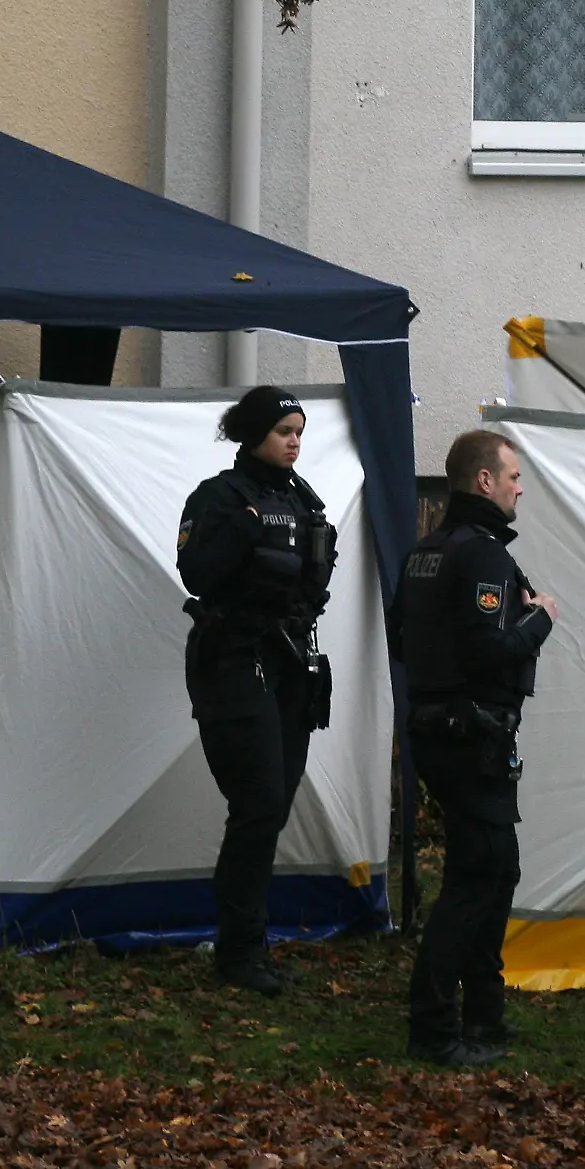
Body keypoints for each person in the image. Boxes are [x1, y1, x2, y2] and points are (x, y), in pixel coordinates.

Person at [387, 429, 558, 1067]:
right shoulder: (482, 555)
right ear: (484, 481)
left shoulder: (425, 551)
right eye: (513, 476)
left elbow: (401, 639)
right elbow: (491, 649)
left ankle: (484, 1011)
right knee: (475, 876)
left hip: (441, 730)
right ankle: (434, 1028)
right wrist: (540, 617)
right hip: (470, 735)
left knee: (498, 867)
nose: (519, 489)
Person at [177, 386, 336, 996]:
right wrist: (243, 531)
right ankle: (240, 950)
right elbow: (195, 572)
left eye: (299, 432)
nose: (294, 442)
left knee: (273, 806)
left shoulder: (303, 499)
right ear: (253, 434)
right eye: (283, 432)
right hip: (233, 660)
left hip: (290, 661)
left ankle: (247, 943)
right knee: (259, 803)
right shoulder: (219, 497)